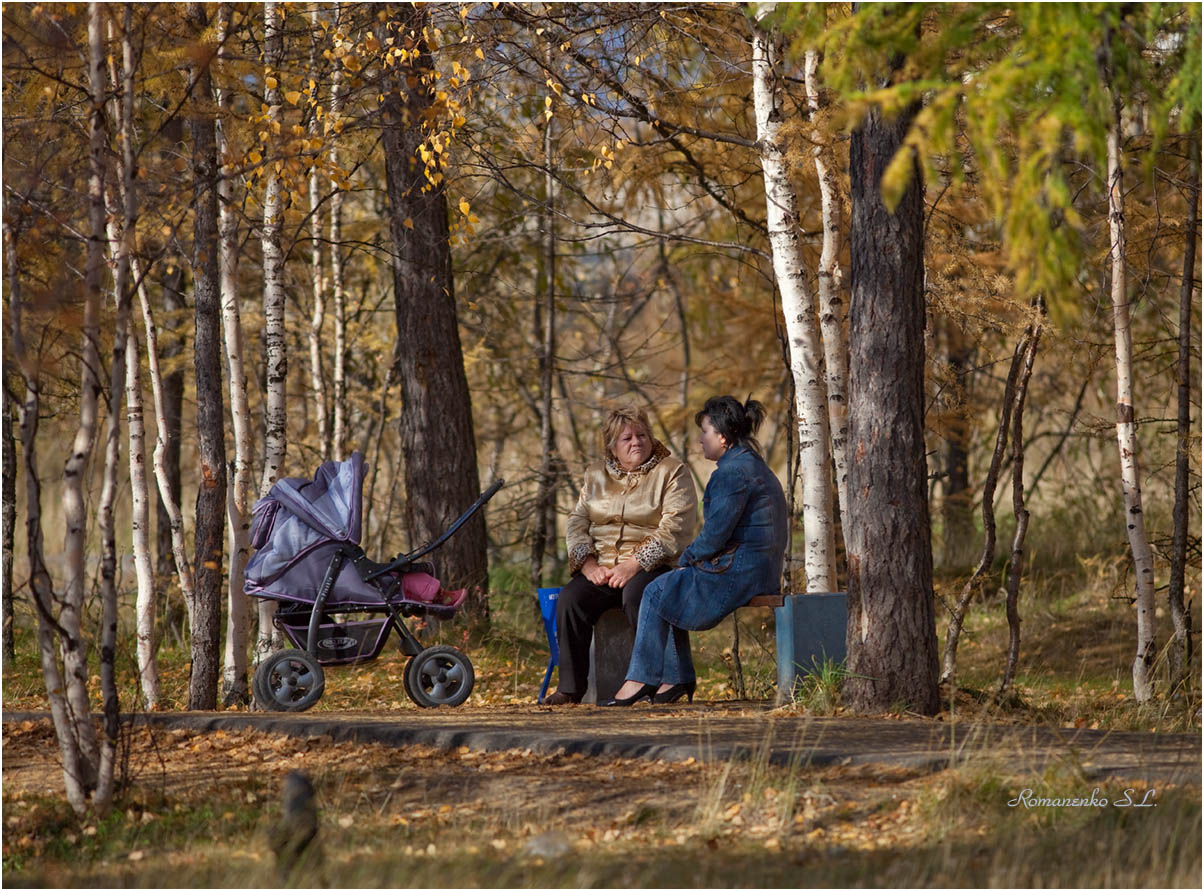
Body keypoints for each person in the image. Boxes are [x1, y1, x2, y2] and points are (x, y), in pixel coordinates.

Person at [603, 395, 788, 706]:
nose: (701, 440)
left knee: (656, 591)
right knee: (666, 588)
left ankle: (641, 678)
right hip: (758, 568)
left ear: (723, 437)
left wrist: (686, 560)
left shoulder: (731, 473)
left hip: (741, 571)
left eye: (705, 432)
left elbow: (714, 537)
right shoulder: (749, 464)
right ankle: (675, 680)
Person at [543, 406, 698, 705]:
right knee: (571, 600)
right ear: (612, 446)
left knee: (639, 594)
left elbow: (675, 528)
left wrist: (633, 565)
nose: (636, 442)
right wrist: (588, 565)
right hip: (602, 567)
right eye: (626, 438)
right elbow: (577, 522)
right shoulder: (594, 475)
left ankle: (657, 679)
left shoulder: (672, 471)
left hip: (655, 566)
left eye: (642, 435)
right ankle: (571, 688)